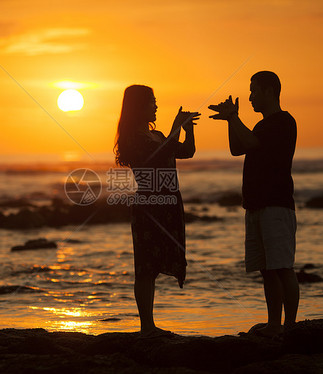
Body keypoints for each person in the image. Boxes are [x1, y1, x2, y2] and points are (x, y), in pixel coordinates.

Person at [209, 71, 299, 338]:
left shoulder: (283, 121)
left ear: (270, 91)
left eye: (254, 90)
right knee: (266, 269)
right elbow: (238, 148)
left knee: (282, 266)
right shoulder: (261, 125)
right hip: (256, 204)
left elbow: (248, 142)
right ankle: (274, 324)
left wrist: (234, 117)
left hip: (276, 204)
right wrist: (229, 120)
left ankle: (290, 326)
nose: (250, 97)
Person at [114, 84, 200, 337]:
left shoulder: (159, 135)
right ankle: (147, 326)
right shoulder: (133, 139)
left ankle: (149, 325)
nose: (156, 106)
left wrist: (188, 129)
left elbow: (187, 151)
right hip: (149, 206)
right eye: (152, 102)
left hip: (170, 203)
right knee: (146, 267)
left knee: (157, 260)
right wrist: (175, 126)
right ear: (139, 106)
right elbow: (158, 157)